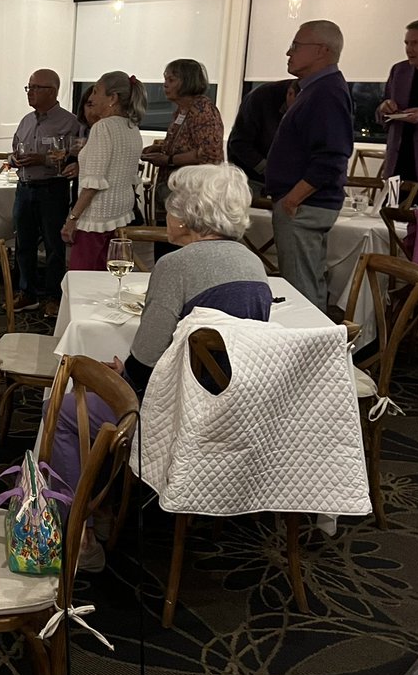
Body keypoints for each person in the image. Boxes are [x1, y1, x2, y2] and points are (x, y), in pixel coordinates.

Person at [48, 164, 272, 571]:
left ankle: (76, 534)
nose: (164, 215)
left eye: (170, 208)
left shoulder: (177, 266)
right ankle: (105, 505)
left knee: (66, 410)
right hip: (234, 408)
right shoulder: (253, 264)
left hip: (178, 411)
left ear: (185, 219)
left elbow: (147, 363)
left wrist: (123, 376)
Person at [265, 20, 353, 311]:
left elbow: (332, 156)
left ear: (321, 51)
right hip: (303, 203)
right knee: (308, 282)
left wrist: (293, 198)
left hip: (304, 205)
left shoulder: (326, 92)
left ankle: (308, 351)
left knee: (299, 288)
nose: (288, 53)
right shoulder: (315, 90)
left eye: (295, 46)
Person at [8, 68, 83, 317]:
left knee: (53, 246)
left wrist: (43, 159)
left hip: (53, 189)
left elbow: (75, 158)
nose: (31, 92)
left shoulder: (69, 122)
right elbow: (13, 150)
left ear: (52, 91)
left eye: (36, 87)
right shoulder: (26, 121)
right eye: (28, 87)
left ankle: (53, 296)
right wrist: (15, 159)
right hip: (24, 187)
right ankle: (27, 292)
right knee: (24, 244)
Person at [60, 72, 145, 270]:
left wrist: (72, 219)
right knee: (107, 275)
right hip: (120, 213)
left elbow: (93, 183)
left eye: (96, 91)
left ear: (112, 98)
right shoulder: (131, 127)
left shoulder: (103, 127)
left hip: (96, 218)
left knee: (82, 277)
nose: (90, 97)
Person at [141, 59, 224, 214]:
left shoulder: (202, 110)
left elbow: (208, 153)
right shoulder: (181, 110)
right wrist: (160, 148)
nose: (165, 84)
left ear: (187, 82)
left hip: (192, 195)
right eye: (165, 79)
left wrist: (168, 160)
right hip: (173, 189)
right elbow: (185, 144)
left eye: (171, 80)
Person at [377, 17, 418, 206]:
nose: (409, 49)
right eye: (407, 43)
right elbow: (381, 116)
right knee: (390, 222)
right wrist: (383, 108)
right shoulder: (399, 71)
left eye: (416, 43)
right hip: (397, 166)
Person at [227, 79, 298, 198]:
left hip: (288, 182)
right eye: (300, 106)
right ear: (290, 94)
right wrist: (269, 170)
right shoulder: (260, 98)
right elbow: (239, 143)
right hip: (250, 178)